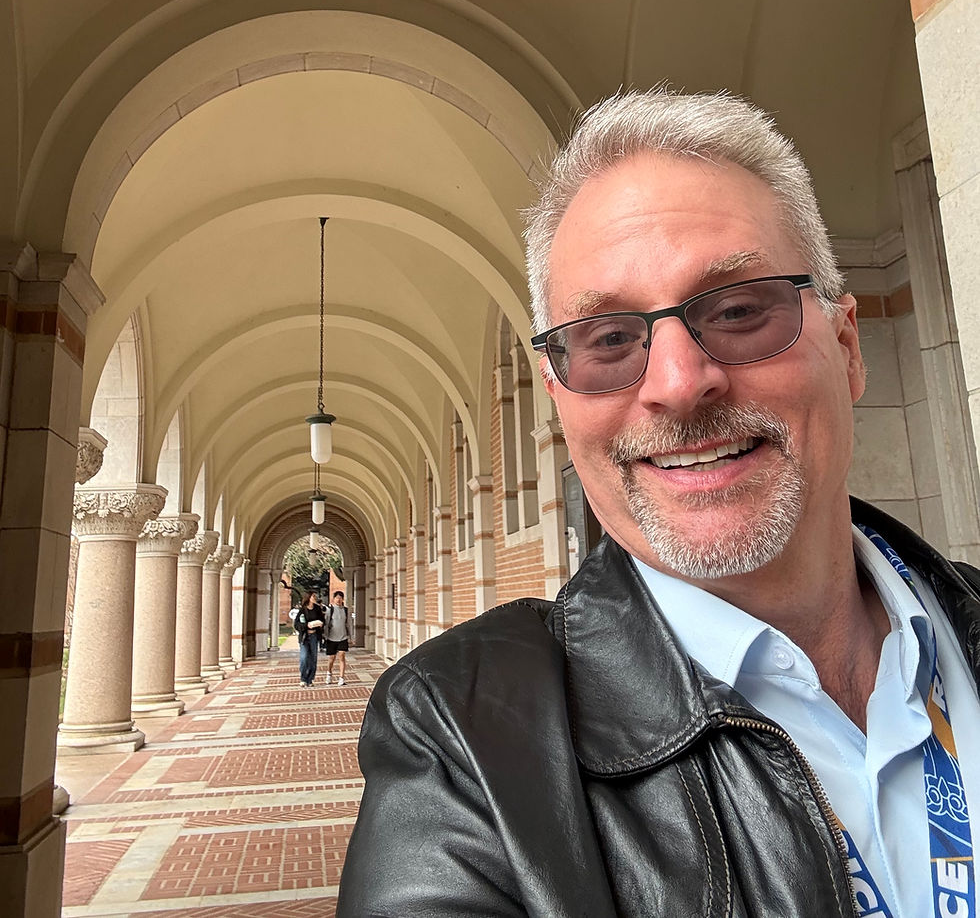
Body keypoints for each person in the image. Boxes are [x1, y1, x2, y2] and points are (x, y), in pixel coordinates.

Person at [338, 90, 980, 918]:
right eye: (609, 339)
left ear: (847, 346)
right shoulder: (466, 740)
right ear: (559, 400)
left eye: (740, 309)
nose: (678, 384)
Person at [293, 589, 324, 689]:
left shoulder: (317, 609)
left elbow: (323, 620)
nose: (315, 598)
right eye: (313, 596)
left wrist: (320, 624)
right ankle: (303, 678)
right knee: (304, 657)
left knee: (313, 658)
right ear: (309, 597)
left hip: (314, 636)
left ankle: (310, 679)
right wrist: (307, 625)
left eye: (315, 596)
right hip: (305, 637)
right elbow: (296, 624)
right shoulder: (303, 610)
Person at [323, 590, 352, 685]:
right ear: (334, 599)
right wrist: (325, 636)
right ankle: (329, 673)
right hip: (331, 637)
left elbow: (348, 624)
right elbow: (326, 624)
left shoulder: (346, 610)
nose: (339, 600)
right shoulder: (330, 610)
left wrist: (350, 636)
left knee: (342, 656)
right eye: (337, 598)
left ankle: (341, 678)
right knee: (332, 658)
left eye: (340, 598)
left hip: (343, 637)